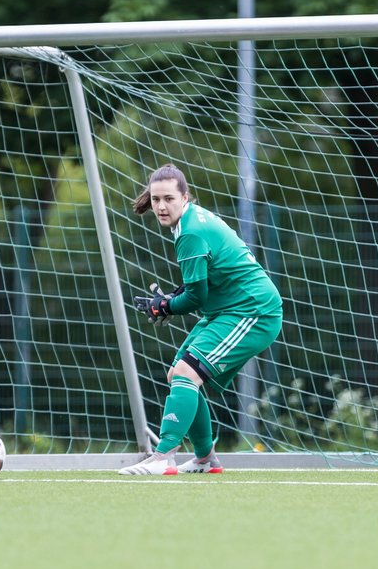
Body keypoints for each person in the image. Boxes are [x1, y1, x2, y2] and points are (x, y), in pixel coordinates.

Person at [119, 164, 283, 475]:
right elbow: (200, 286)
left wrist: (165, 306)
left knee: (186, 373)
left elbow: (195, 298)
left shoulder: (190, 232)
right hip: (227, 310)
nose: (161, 206)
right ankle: (206, 458)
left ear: (185, 197)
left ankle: (163, 455)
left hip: (253, 311)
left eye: (168, 198)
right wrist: (168, 301)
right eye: (156, 199)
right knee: (177, 374)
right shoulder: (192, 220)